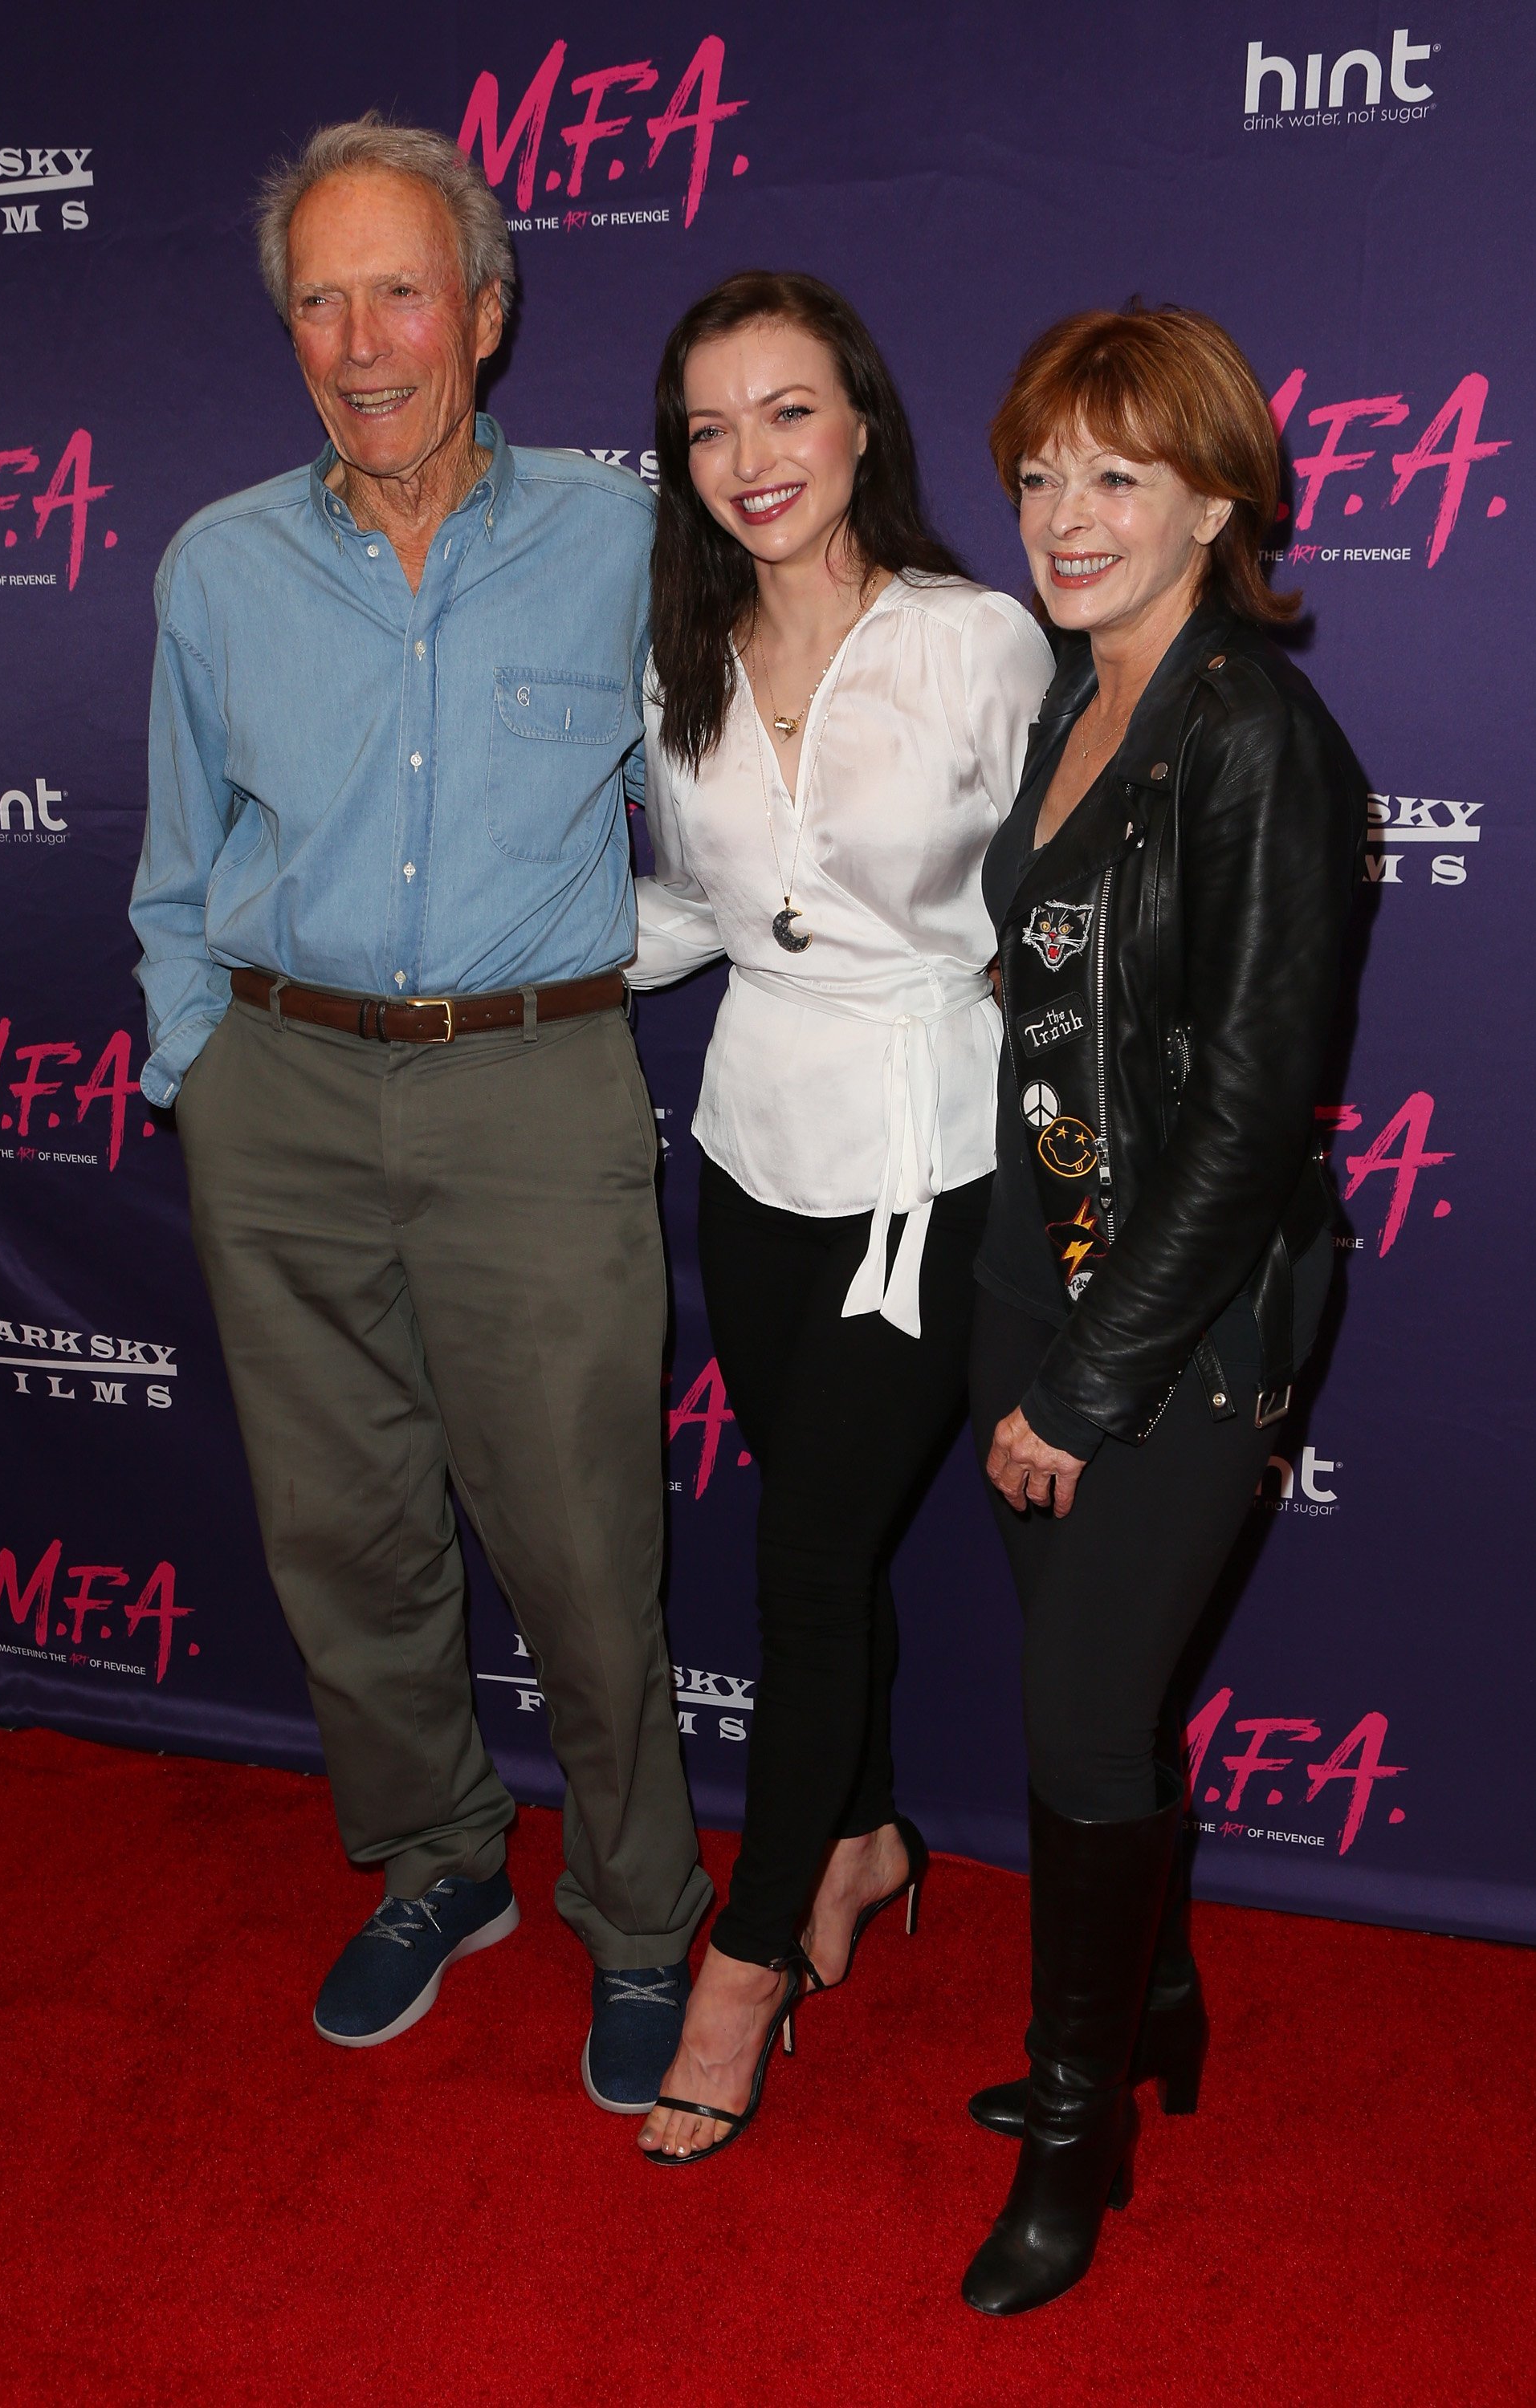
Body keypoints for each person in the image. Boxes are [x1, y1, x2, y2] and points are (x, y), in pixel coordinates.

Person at [128, 114, 712, 2113]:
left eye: (399, 289)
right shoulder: (217, 563)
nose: (362, 339)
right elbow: (170, 853)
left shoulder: (627, 538)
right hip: (276, 1091)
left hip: (533, 1092)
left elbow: (751, 789)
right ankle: (438, 1861)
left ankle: (640, 1921)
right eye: (319, 296)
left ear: (483, 308)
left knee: (576, 1536)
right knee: (344, 1533)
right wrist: (192, 1057)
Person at [959, 304, 1365, 2313]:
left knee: (1077, 1717)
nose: (1064, 513)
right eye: (1039, 471)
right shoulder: (1071, 697)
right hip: (1026, 1279)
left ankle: (1074, 2118)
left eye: (1115, 474)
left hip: (1179, 1320)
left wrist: (1090, 1382)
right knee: (1090, 1702)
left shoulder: (1256, 738)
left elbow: (1239, 1115)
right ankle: (1157, 2003)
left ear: (1216, 497)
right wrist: (1010, 1327)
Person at [624, 272, 1052, 2164]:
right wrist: (488, 965)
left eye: (783, 413)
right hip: (749, 1151)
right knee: (817, 1559)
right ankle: (863, 1837)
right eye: (709, 428)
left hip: (926, 1169)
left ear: (860, 421)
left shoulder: (977, 643)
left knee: (799, 1573)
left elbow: (1057, 917)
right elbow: (705, 914)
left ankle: (742, 1961)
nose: (747, 460)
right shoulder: (683, 653)